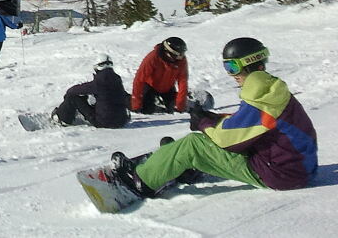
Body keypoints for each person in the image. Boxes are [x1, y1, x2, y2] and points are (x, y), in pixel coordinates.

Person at [112, 37, 317, 199]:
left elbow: (227, 140)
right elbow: (251, 124)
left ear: (249, 64)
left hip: (281, 174)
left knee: (193, 144)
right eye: (227, 68)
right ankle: (184, 164)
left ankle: (142, 180)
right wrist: (213, 118)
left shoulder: (259, 97)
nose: (231, 75)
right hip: (296, 166)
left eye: (232, 68)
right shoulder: (271, 91)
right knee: (207, 137)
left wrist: (204, 123)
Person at [53, 55, 129, 128]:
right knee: (99, 99)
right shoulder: (117, 79)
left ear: (97, 67)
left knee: (73, 97)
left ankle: (62, 118)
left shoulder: (100, 80)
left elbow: (75, 90)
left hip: (104, 122)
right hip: (122, 121)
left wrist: (69, 92)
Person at [131, 37, 188, 114]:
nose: (181, 57)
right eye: (178, 55)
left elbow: (183, 81)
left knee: (173, 110)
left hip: (168, 88)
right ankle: (127, 98)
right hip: (150, 86)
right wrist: (136, 104)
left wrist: (180, 105)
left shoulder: (181, 60)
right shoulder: (152, 57)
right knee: (146, 110)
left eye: (182, 54)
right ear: (168, 53)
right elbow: (139, 79)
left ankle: (159, 101)